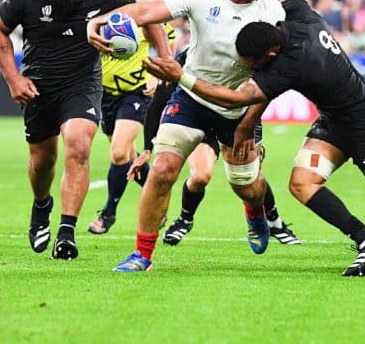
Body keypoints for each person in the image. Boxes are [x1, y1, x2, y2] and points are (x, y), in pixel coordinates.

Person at [144, 0, 365, 278]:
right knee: (302, 183)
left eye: (251, 64)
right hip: (335, 119)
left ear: (271, 53)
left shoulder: (293, 64)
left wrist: (181, 77)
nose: (248, 69)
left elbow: (237, 98)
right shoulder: (301, 16)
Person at [86, 0, 286, 272]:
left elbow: (271, 79)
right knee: (163, 169)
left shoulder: (272, 11)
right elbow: (146, 10)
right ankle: (142, 255)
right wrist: (99, 21)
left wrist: (250, 121)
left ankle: (255, 213)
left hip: (239, 108)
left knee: (247, 187)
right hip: (191, 99)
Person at [0, 0, 170, 260]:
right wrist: (13, 79)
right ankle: (42, 204)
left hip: (82, 84)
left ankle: (66, 234)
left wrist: (165, 57)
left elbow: (149, 14)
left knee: (79, 145)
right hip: (38, 85)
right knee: (42, 161)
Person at [127, 51, 301, 246]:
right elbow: (158, 102)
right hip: (199, 117)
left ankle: (273, 221)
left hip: (236, 117)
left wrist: (250, 125)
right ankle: (184, 220)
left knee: (248, 181)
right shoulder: (188, 57)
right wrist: (147, 150)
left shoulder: (243, 55)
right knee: (200, 176)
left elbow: (263, 87)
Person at [86, 0, 177, 235]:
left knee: (118, 153)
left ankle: (108, 213)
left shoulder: (142, 11)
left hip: (136, 92)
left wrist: (156, 76)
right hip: (105, 95)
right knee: (129, 156)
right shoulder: (94, 16)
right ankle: (158, 200)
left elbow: (169, 40)